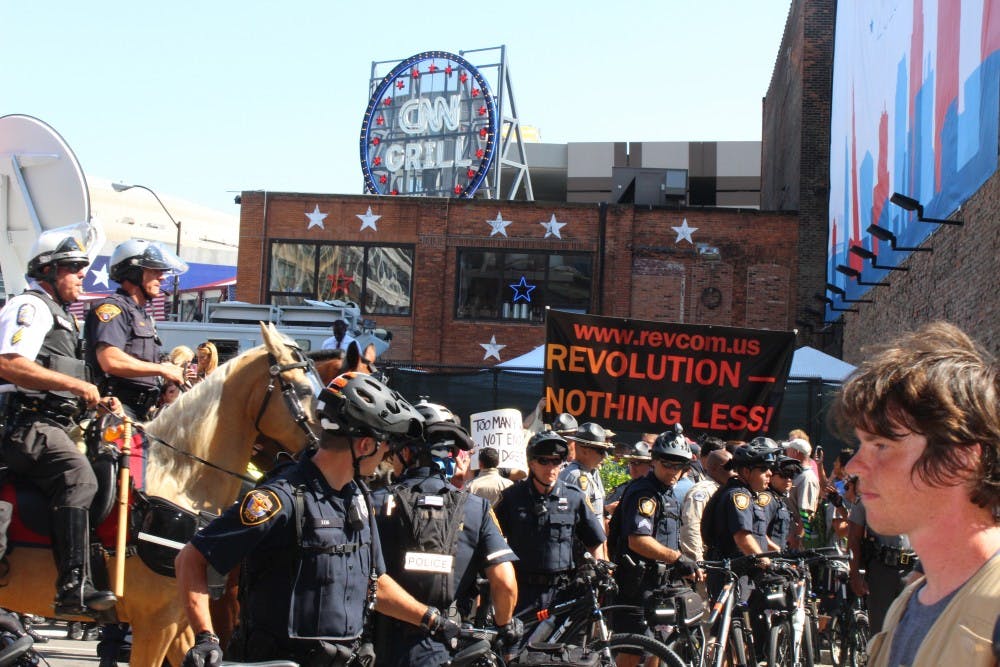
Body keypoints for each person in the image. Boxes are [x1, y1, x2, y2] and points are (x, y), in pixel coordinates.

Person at [175, 372, 461, 665]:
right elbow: (191, 558)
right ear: (364, 445)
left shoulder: (358, 498)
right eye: (386, 443)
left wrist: (431, 619)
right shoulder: (279, 500)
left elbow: (376, 584)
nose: (388, 453)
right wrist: (206, 637)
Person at [833, 322, 1000, 666]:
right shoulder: (909, 601)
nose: (855, 466)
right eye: (860, 445)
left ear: (960, 457)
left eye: (880, 445)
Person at [0, 223, 118, 616]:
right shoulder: (29, 308)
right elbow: (10, 364)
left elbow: (63, 382)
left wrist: (97, 400)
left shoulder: (64, 319)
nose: (82, 274)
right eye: (72, 267)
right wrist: (73, 383)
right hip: (24, 425)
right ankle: (72, 585)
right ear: (48, 270)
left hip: (53, 424)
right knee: (78, 476)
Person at [374, 400, 520, 666]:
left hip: (383, 645)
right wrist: (505, 626)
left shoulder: (375, 502)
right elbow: (505, 582)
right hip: (449, 647)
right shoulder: (476, 508)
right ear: (450, 455)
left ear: (407, 453)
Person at [609, 426, 703, 665]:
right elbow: (638, 540)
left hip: (659, 584)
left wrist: (685, 566)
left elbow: (667, 539)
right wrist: (678, 558)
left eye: (679, 466)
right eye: (667, 464)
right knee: (634, 648)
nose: (673, 470)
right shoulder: (645, 493)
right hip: (635, 585)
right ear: (654, 461)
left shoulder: (667, 493)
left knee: (657, 647)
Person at [493, 431, 606, 614]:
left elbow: (594, 541)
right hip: (522, 591)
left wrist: (598, 572)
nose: (551, 467)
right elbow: (491, 540)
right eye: (543, 461)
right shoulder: (512, 497)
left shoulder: (574, 497)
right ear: (531, 463)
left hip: (563, 593)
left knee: (563, 643)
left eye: (556, 461)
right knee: (516, 642)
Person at [84, 239, 186, 420]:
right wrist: (161, 369)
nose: (161, 277)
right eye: (154, 271)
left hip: (143, 411)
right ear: (134, 272)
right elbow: (110, 361)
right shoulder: (112, 309)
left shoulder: (142, 316)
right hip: (116, 408)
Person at [679, 446, 733, 563]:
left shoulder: (725, 490)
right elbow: (691, 525)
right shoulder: (703, 491)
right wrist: (696, 561)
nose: (734, 472)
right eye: (729, 467)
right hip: (705, 559)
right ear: (713, 468)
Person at [783, 437, 820, 549]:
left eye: (788, 450)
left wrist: (796, 537)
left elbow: (806, 512)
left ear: (796, 452)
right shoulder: (797, 474)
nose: (786, 452)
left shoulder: (807, 478)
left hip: (794, 538)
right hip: (787, 533)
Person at [765, 455, 802, 551]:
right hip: (767, 558)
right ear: (771, 476)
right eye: (784, 475)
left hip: (778, 558)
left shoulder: (780, 501)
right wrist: (777, 551)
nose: (788, 480)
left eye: (791, 476)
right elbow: (757, 533)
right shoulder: (767, 500)